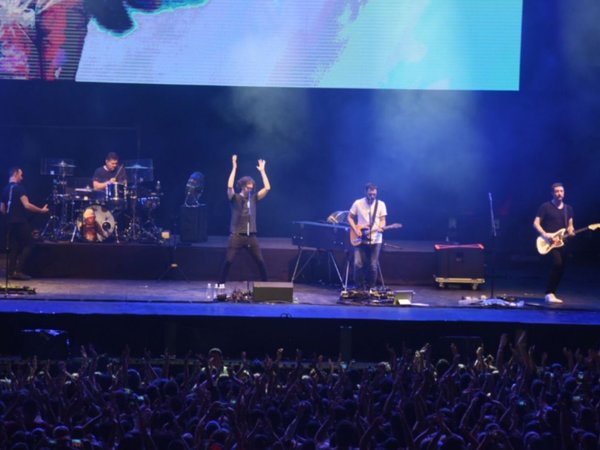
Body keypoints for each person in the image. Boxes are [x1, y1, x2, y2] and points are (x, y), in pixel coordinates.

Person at [217, 154, 270, 284]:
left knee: (260, 261)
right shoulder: (235, 198)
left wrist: (263, 171)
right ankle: (220, 285)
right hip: (236, 236)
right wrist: (234, 167)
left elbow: (267, 188)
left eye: (252, 188)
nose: (250, 190)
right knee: (228, 261)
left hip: (251, 236)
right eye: (248, 188)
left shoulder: (253, 198)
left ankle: (267, 286)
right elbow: (229, 186)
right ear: (242, 186)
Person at [0, 167, 49, 280]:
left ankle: (11, 272)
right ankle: (18, 270)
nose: (22, 178)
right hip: (19, 221)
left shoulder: (5, 189)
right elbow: (27, 205)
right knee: (30, 243)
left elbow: (2, 209)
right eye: (21, 175)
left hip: (9, 222)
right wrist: (41, 210)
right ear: (16, 173)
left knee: (14, 246)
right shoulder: (19, 188)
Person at [533, 182, 574, 304]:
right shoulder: (545, 207)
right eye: (557, 191)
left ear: (564, 193)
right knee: (557, 264)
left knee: (561, 267)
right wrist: (545, 235)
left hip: (562, 242)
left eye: (561, 191)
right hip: (549, 242)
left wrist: (571, 231)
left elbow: (570, 226)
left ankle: (552, 292)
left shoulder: (569, 209)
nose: (559, 193)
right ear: (552, 193)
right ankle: (549, 293)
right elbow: (535, 223)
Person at [347, 183, 387, 291]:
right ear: (366, 192)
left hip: (376, 239)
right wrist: (356, 230)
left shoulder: (381, 204)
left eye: (374, 194)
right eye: (370, 194)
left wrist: (381, 227)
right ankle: (359, 287)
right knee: (358, 264)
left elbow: (383, 220)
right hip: (360, 238)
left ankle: (371, 288)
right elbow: (349, 217)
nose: (372, 196)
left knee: (373, 265)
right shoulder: (358, 203)